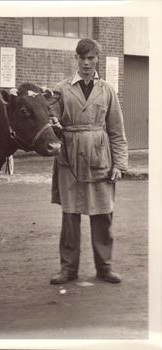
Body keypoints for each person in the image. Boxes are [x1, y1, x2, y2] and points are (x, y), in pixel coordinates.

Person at [50, 39, 128, 284]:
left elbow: (116, 130)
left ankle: (104, 267)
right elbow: (50, 124)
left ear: (97, 60)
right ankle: (68, 269)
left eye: (91, 58)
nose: (86, 63)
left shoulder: (107, 90)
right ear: (76, 59)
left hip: (99, 157)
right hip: (70, 159)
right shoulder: (60, 89)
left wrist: (119, 164)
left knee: (103, 214)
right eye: (82, 58)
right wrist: (53, 123)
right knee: (70, 216)